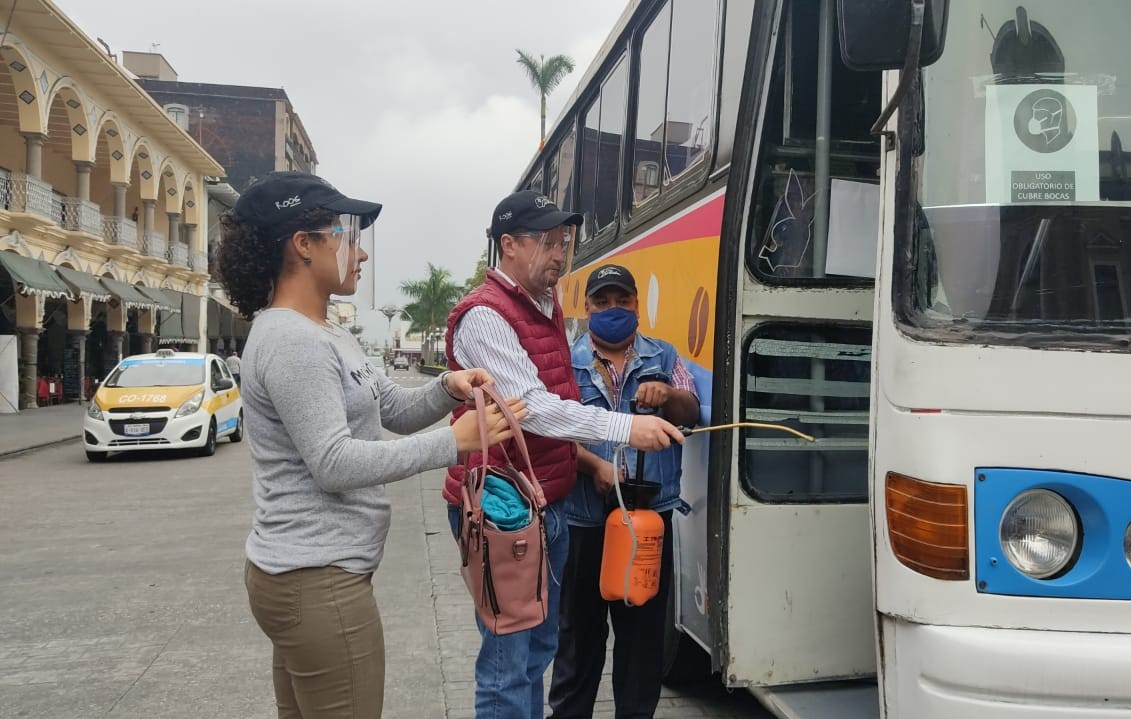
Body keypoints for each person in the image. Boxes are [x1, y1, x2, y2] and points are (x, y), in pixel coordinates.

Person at [213, 170, 525, 719]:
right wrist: (454, 444)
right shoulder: (293, 340)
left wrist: (446, 386)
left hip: (309, 576)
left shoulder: (325, 331)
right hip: (317, 580)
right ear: (304, 245)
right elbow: (333, 462)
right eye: (347, 236)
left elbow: (392, 410)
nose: (361, 255)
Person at [444, 190, 685, 719]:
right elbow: (530, 407)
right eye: (548, 241)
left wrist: (601, 455)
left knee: (536, 655)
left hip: (543, 503)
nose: (561, 254)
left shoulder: (544, 306)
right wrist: (626, 426)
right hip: (506, 507)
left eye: (565, 242)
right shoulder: (485, 316)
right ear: (508, 245)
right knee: (511, 666)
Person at [548, 264, 700, 719]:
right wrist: (594, 466)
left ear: (637, 303)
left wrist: (668, 397)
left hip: (649, 523)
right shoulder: (564, 362)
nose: (612, 309)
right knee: (578, 644)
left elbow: (690, 413)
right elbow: (550, 432)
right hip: (582, 523)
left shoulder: (666, 357)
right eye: (601, 302)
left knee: (642, 645)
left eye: (622, 300)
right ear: (587, 307)